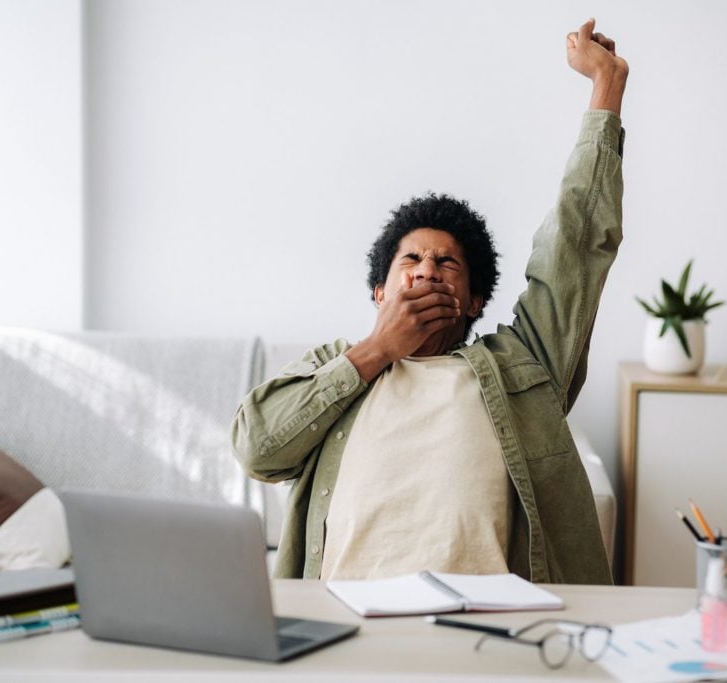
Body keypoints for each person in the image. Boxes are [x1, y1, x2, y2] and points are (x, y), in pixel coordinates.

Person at [232, 18, 628, 584]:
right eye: (410, 262)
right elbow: (257, 448)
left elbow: (576, 244)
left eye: (447, 265)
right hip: (347, 627)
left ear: (472, 301)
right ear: (379, 291)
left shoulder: (523, 365)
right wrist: (378, 350)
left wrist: (605, 90)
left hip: (485, 630)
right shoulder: (335, 371)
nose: (427, 272)